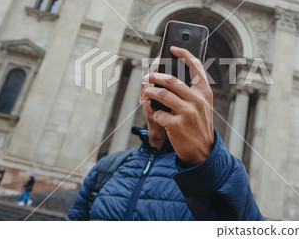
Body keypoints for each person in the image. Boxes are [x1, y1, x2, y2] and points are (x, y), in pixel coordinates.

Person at [66, 46, 263, 220]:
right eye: (160, 78)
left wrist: (203, 161)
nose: (170, 89)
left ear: (200, 100)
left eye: (181, 83)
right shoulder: (105, 169)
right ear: (143, 92)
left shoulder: (221, 174)